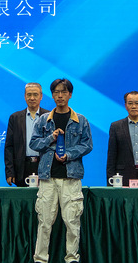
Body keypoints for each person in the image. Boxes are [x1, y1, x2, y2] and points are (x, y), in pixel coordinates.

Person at [30, 78, 93, 263]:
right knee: (44, 222)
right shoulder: (43, 120)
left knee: (72, 222)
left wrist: (69, 154)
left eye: (64, 92)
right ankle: (40, 259)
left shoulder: (80, 120)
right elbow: (33, 143)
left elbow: (87, 145)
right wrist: (51, 137)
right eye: (56, 92)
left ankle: (72, 258)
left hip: (71, 177)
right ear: (52, 95)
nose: (60, 96)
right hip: (48, 177)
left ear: (70, 94)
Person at [5, 82, 49, 187]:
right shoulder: (15, 118)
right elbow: (9, 147)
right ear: (25, 96)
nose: (32, 98)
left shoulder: (49, 116)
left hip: (44, 166)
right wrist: (10, 172)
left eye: (35, 94)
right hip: (22, 167)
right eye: (29, 95)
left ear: (41, 96)